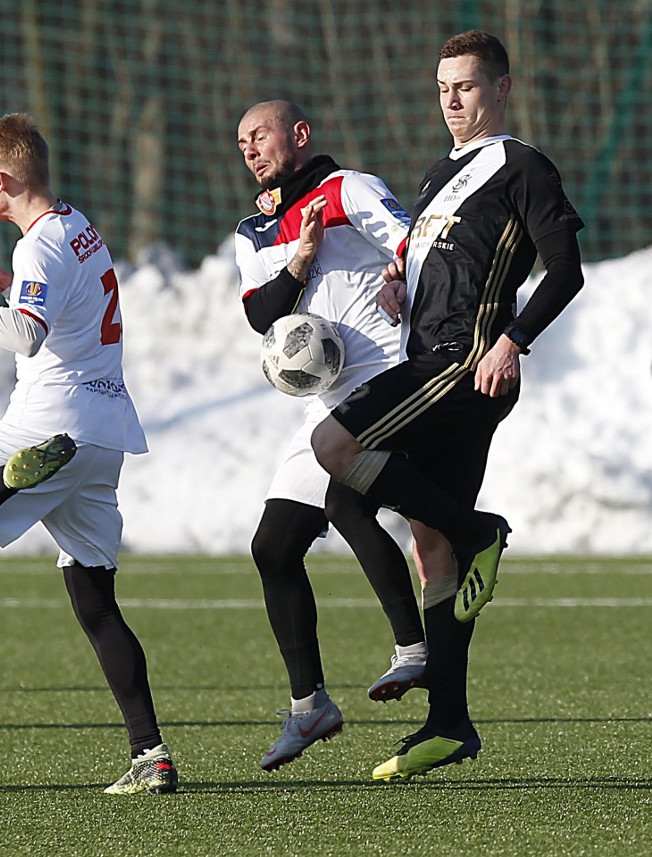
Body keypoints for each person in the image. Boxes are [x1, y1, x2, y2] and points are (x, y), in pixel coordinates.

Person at [311, 31, 585, 780]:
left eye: (465, 86)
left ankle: (484, 530)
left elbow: (567, 268)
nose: (452, 100)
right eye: (442, 88)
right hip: (429, 356)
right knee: (432, 547)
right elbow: (434, 261)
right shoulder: (441, 174)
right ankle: (449, 724)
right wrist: (401, 284)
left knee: (333, 451)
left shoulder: (521, 165)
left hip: (466, 366)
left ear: (501, 87)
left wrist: (513, 339)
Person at [0, 113, 178, 796]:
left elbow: (26, 336)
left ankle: (11, 473)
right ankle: (152, 755)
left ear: (4, 180)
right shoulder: (75, 225)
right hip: (104, 433)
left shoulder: (39, 249)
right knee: (95, 600)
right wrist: (4, 280)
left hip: (47, 428)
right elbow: (66, 301)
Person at [235, 99, 438, 772]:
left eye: (259, 134)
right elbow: (262, 314)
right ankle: (309, 705)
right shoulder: (255, 230)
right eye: (241, 141)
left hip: (384, 376)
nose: (250, 148)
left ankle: (417, 646)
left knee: (344, 503)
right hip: (323, 402)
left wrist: (399, 277)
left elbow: (420, 243)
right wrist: (301, 261)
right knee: (273, 546)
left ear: (299, 133)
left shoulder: (348, 189)